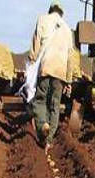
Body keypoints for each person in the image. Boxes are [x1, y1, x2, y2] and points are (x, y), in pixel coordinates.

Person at [29, 0, 75, 147]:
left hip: (46, 67)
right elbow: (70, 56)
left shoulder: (42, 19)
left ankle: (42, 124)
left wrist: (32, 62)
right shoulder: (67, 29)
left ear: (51, 10)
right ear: (61, 13)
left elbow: (36, 45)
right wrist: (68, 81)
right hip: (60, 71)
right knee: (55, 105)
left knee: (40, 100)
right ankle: (48, 141)